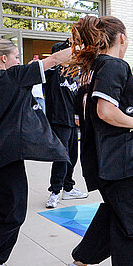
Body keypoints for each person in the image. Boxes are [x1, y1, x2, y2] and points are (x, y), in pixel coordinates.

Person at [60, 16, 133, 266]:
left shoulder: (91, 71)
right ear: (122, 39)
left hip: (101, 162)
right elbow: (105, 111)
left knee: (115, 213)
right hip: (120, 163)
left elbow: (81, 118)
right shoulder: (114, 66)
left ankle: (79, 265)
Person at [0, 38, 70, 266]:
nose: (19, 61)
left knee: (0, 212)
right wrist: (87, 46)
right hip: (4, 158)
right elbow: (55, 59)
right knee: (12, 216)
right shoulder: (11, 77)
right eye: (16, 56)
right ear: (3, 59)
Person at [44, 40, 89, 209]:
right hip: (58, 121)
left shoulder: (71, 74)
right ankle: (55, 191)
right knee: (61, 157)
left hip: (72, 121)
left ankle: (68, 188)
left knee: (72, 156)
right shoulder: (51, 72)